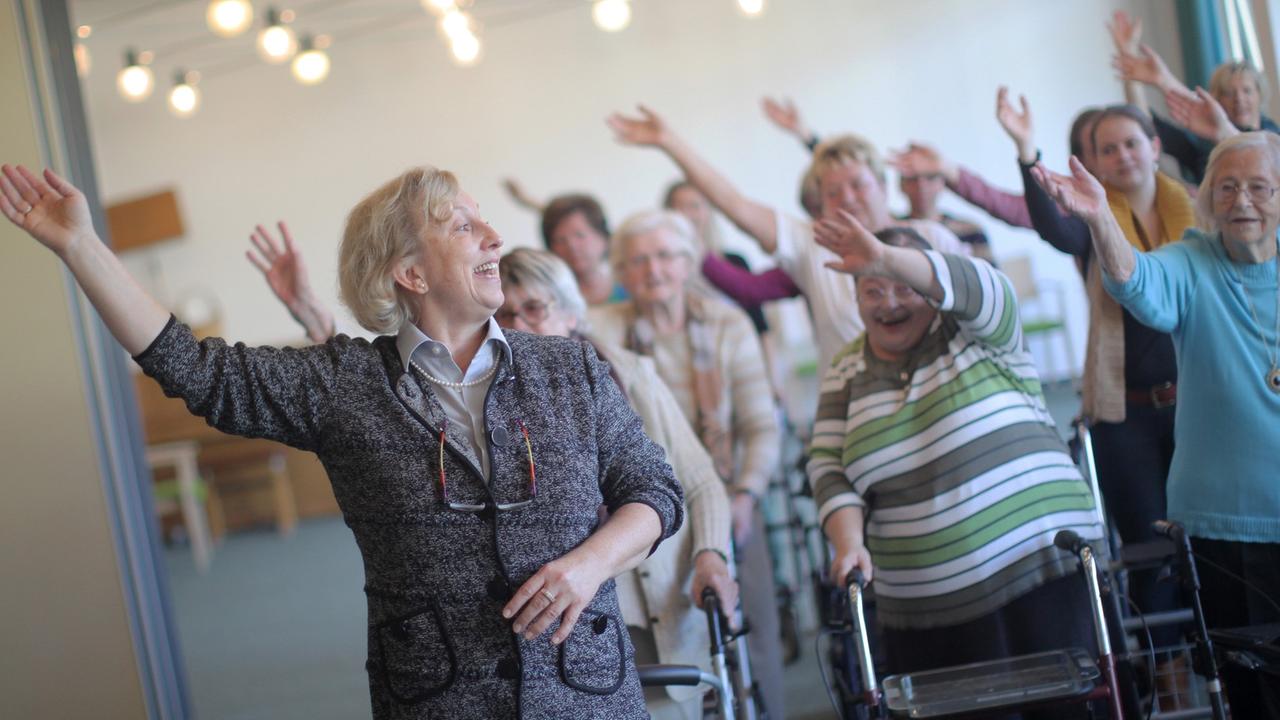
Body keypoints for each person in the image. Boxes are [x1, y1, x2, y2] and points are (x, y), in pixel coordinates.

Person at [0, 162, 685, 720]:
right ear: (410, 273)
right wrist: (80, 247)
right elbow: (193, 369)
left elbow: (653, 492)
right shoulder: (344, 384)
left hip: (588, 693)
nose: (494, 237)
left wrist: (591, 564)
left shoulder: (568, 367)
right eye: (464, 226)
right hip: (439, 699)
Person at [809, 217, 1104, 717]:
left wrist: (884, 255)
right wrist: (848, 543)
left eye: (904, 287)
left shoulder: (977, 330)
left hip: (1038, 576)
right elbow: (828, 466)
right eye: (872, 290)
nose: (889, 302)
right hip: (921, 609)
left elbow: (985, 285)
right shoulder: (846, 367)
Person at [1039, 130, 1280, 718]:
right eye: (1227, 188)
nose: (1242, 201)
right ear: (1206, 197)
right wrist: (1100, 220)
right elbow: (1137, 286)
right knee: (1251, 696)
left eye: (1259, 187)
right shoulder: (1193, 261)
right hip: (1227, 524)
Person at [496, 247, 736, 720]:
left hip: (659, 601)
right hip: (570, 626)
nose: (518, 325)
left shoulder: (630, 372)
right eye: (504, 314)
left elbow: (700, 481)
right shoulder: (495, 404)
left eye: (534, 309)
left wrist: (711, 553)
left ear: (570, 313)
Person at [1006, 98, 1191, 651]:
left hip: (1197, 403)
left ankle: (1222, 670)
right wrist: (1026, 151)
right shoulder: (1093, 221)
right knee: (1148, 548)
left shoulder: (1197, 213)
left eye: (1132, 142)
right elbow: (1055, 229)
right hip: (1123, 412)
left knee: (1210, 545)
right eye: (1107, 149)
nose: (1122, 155)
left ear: (1155, 148)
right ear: (1095, 162)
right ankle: (1169, 672)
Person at [587, 209, 787, 718]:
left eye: (665, 256)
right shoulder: (600, 329)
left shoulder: (727, 323)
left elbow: (761, 426)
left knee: (751, 626)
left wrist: (744, 498)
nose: (654, 270)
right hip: (641, 509)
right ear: (622, 273)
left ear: (688, 261)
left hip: (726, 489)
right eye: (638, 261)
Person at [607, 105, 970, 375]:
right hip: (862, 412)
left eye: (858, 185)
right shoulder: (812, 246)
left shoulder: (933, 237)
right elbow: (736, 205)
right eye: (832, 192)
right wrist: (669, 142)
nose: (847, 198)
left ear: (882, 185)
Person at [1112, 13, 1279, 183]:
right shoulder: (1203, 143)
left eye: (1247, 91)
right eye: (1229, 93)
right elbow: (1143, 124)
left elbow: (1265, 160)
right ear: (1217, 100)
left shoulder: (1273, 136)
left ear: (1260, 94)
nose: (1239, 99)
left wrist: (1165, 80)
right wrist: (1129, 60)